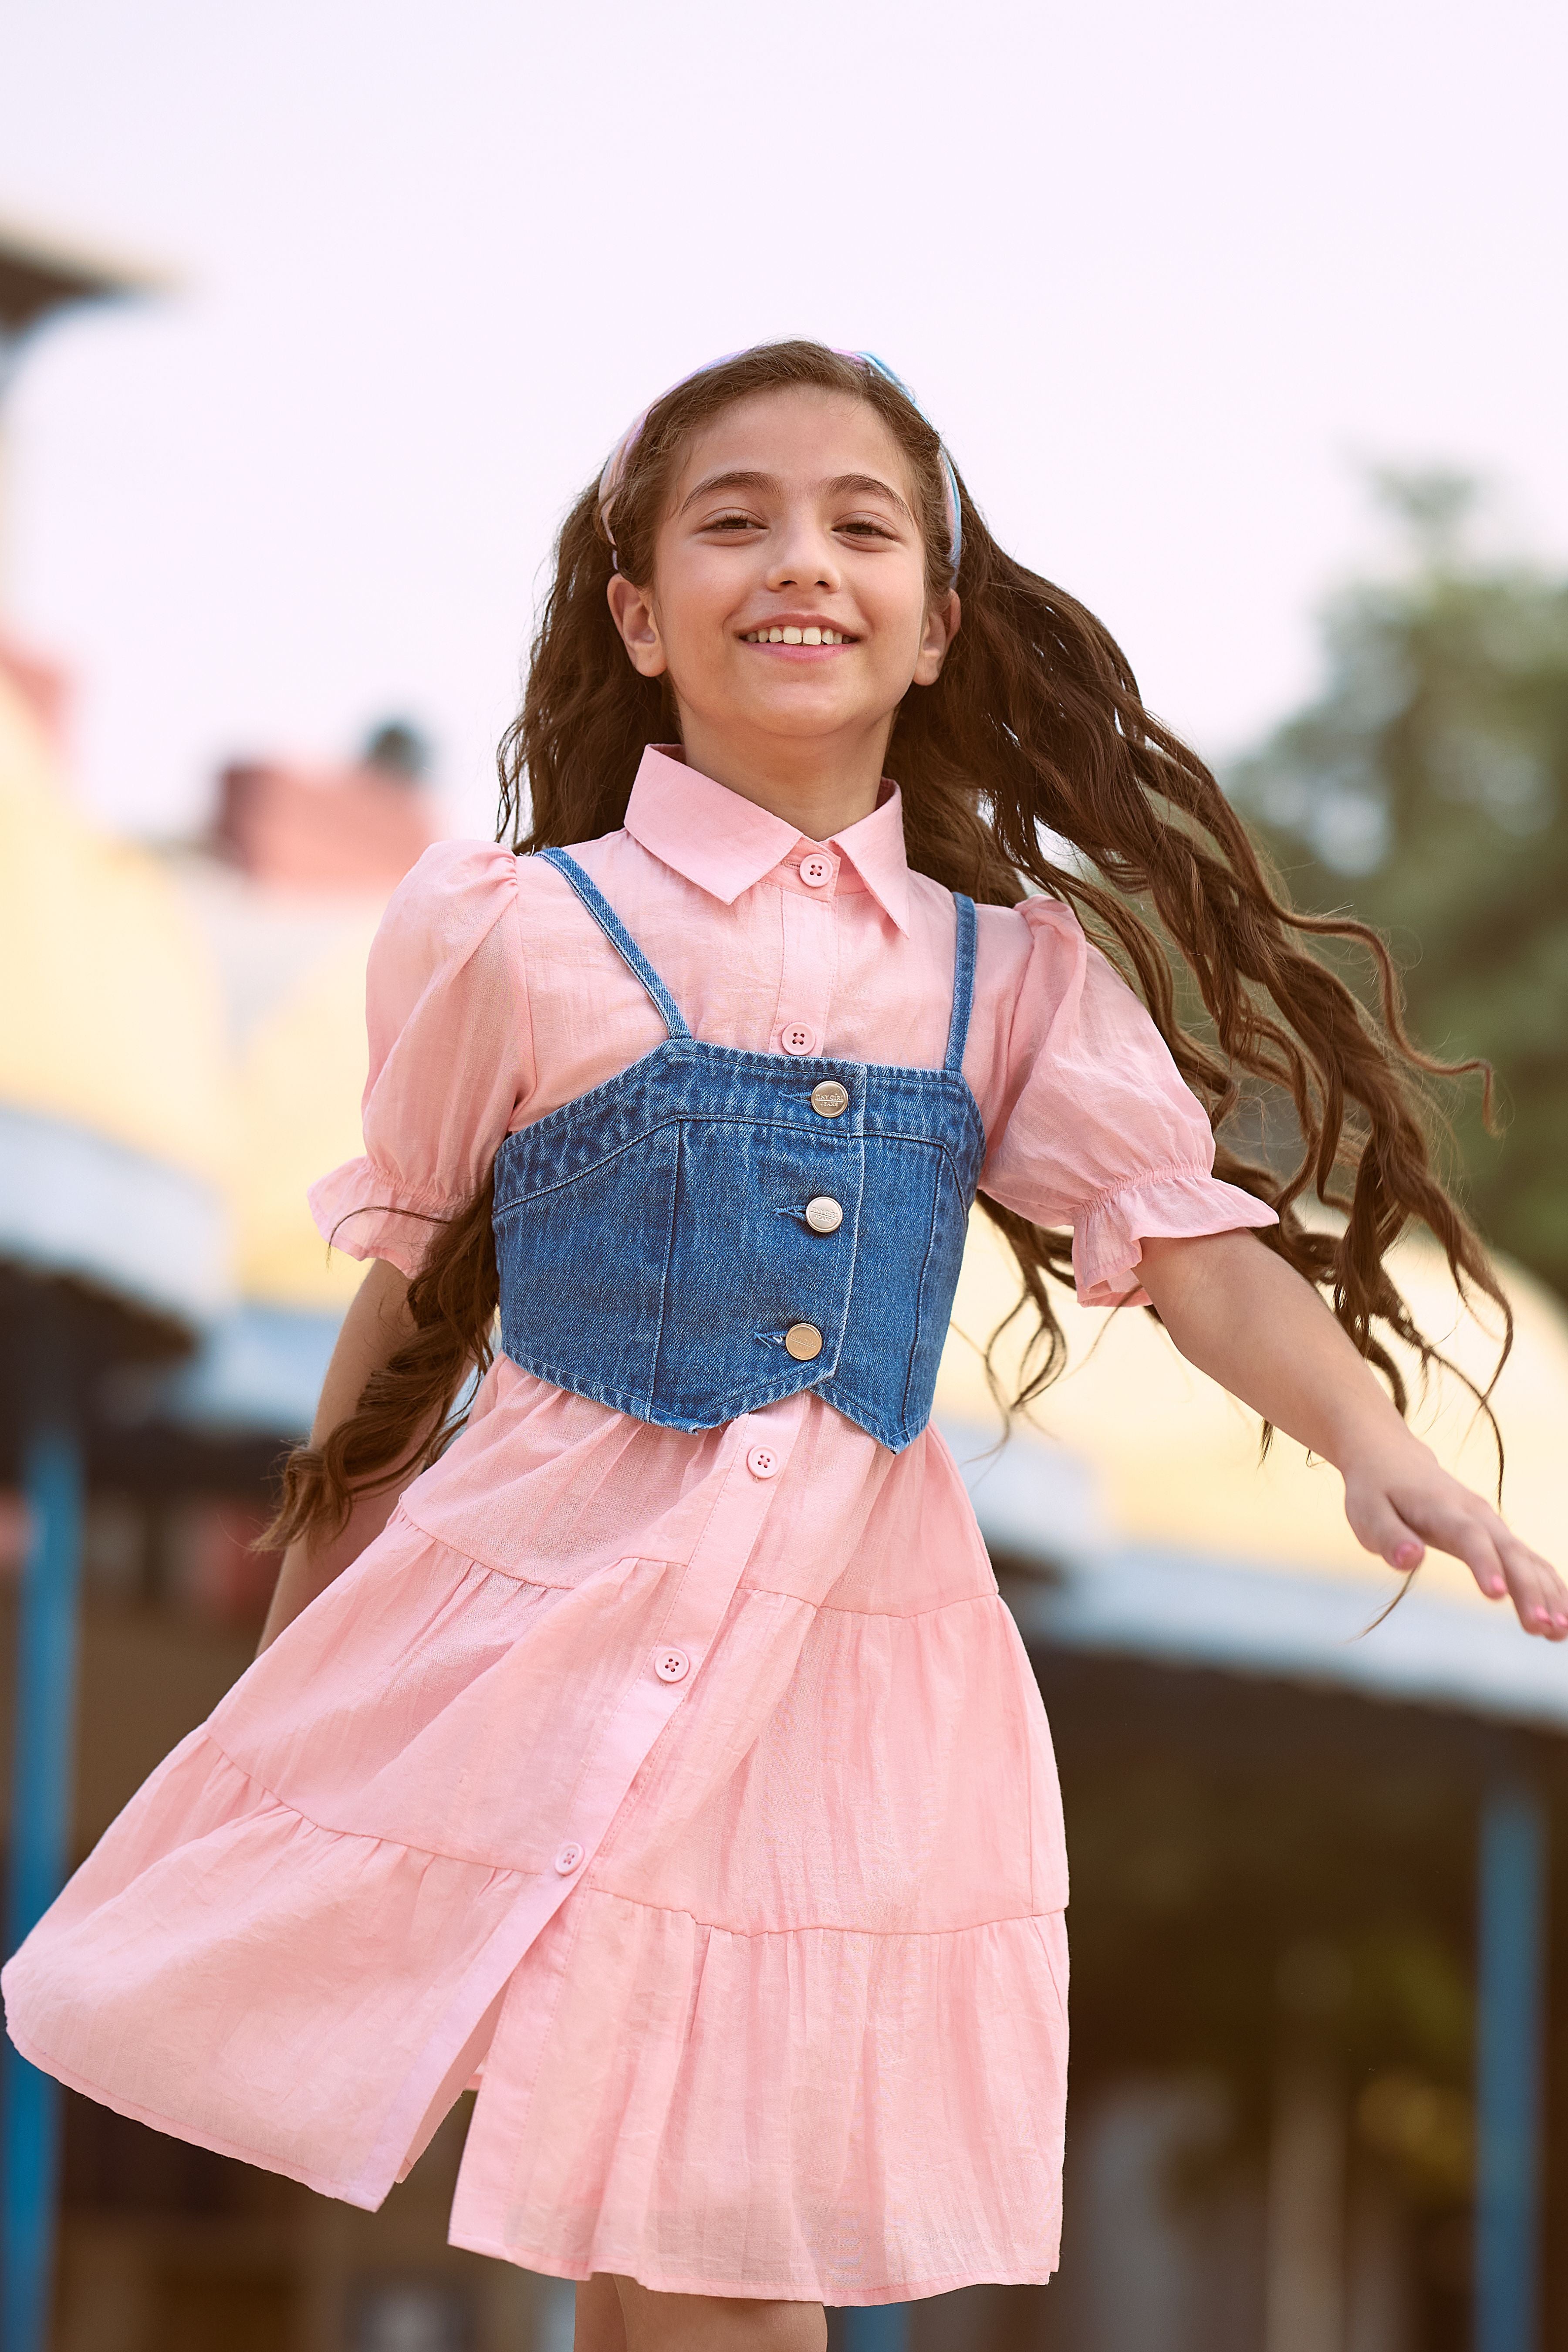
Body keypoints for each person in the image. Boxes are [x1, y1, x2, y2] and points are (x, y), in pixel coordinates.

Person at [6, 342, 1564, 2352]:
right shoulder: (517, 927)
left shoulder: (1009, 970)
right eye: (733, 520)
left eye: (862, 523)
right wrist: (319, 1612)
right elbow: (409, 1282)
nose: (800, 560)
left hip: (845, 1662)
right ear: (641, 618)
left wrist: (1375, 1437)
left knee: (727, 2238)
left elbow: (1190, 1247)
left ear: (937, 624)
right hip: (549, 1610)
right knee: (647, 2237)